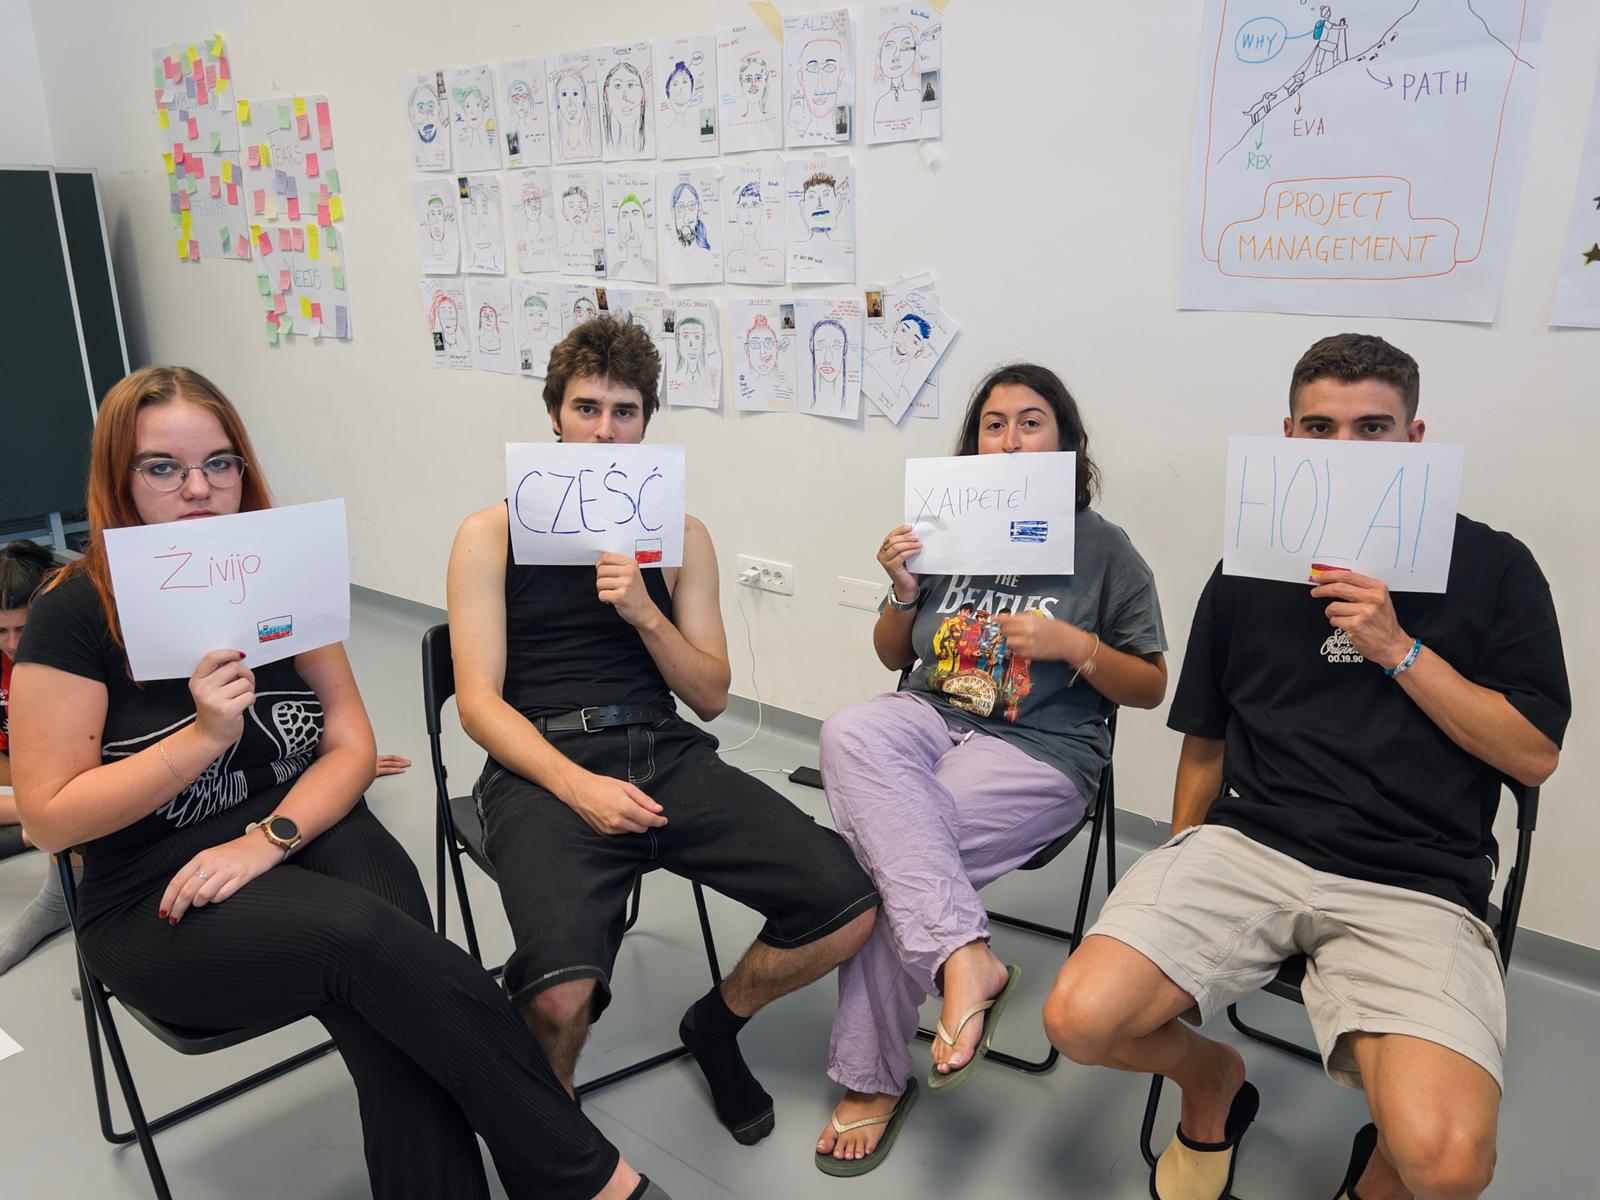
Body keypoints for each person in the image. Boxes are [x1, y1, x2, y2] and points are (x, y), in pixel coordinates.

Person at [9, 366, 672, 1200]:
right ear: (118, 473)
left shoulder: (272, 565)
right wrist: (206, 737)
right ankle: (590, 1179)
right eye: (163, 467)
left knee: (388, 984)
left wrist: (268, 839)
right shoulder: (73, 611)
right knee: (370, 943)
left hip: (303, 823)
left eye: (220, 463)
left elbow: (352, 747)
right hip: (154, 888)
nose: (200, 490)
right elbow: (48, 820)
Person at [1043, 334, 1569, 1200]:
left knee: (1446, 1165)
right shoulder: (1250, 564)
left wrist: (1399, 649)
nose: (1345, 451)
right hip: (1252, 844)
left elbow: (1533, 756)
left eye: (1373, 429)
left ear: (1416, 437)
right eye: (1320, 429)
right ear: (1288, 437)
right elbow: (1205, 737)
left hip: (1416, 878)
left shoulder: (1498, 568)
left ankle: (1376, 1170)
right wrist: (1179, 862)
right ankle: (1212, 1080)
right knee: (1078, 1020)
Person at [447, 316, 878, 1147]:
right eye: (586, 409)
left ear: (647, 423)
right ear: (554, 417)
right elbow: (478, 705)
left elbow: (712, 695)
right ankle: (553, 1133)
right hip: (543, 763)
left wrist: (647, 613)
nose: (603, 430)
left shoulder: (682, 538)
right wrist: (580, 788)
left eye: (625, 411)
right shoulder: (488, 534)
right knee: (556, 995)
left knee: (847, 904)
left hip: (663, 749)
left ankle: (715, 1023)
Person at [815, 363, 1169, 1174]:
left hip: (1040, 748)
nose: (1010, 438)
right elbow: (892, 652)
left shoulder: (1106, 552)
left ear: (1066, 443)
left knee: (890, 869)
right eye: (995, 424)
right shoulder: (946, 528)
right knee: (847, 730)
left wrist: (1076, 647)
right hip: (928, 716)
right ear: (974, 442)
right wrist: (903, 590)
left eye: (1031, 422)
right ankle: (967, 960)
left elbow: (1149, 686)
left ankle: (871, 1079)